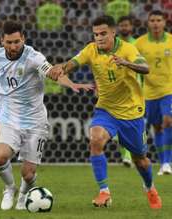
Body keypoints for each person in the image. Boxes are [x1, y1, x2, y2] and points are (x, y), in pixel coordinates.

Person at [0, 20, 93, 210]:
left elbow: (53, 72)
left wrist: (71, 84)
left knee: (28, 174)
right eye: (9, 42)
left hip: (35, 121)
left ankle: (23, 195)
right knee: (0, 157)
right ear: (2, 41)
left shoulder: (33, 57)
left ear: (23, 39)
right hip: (8, 118)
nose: (13, 46)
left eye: (17, 42)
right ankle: (9, 188)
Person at [51, 15, 162, 209]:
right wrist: (60, 69)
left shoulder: (128, 49)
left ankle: (149, 187)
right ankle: (104, 192)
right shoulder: (91, 50)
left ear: (113, 32)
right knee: (96, 139)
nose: (99, 38)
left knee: (140, 160)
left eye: (103, 33)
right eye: (95, 34)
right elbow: (72, 63)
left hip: (131, 112)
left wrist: (127, 63)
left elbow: (145, 67)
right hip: (106, 109)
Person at [135, 10, 172, 176]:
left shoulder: (171, 41)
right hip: (149, 92)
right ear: (148, 23)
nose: (156, 23)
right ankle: (163, 162)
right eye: (152, 20)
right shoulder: (140, 43)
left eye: (159, 20)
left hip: (169, 90)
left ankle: (167, 163)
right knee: (157, 128)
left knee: (168, 122)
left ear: (165, 22)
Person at [115, 15, 136, 167]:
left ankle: (128, 156)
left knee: (130, 124)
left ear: (131, 27)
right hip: (115, 90)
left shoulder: (137, 44)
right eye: (121, 25)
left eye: (126, 25)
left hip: (134, 90)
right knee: (117, 127)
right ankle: (126, 155)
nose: (124, 28)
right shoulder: (113, 45)